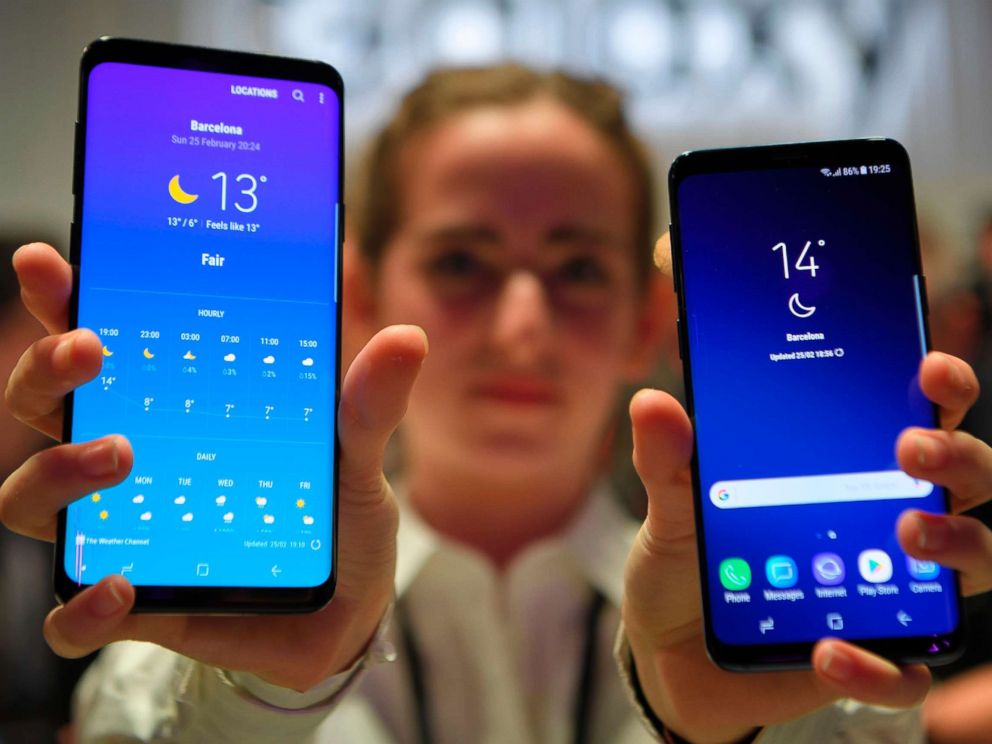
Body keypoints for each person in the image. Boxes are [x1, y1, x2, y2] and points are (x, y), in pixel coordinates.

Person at [2, 64, 992, 744]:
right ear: (361, 293)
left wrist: (734, 731)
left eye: (575, 268)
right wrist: (264, 691)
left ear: (649, 311)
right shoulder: (197, 626)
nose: (523, 325)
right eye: (462, 262)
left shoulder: (778, 621)